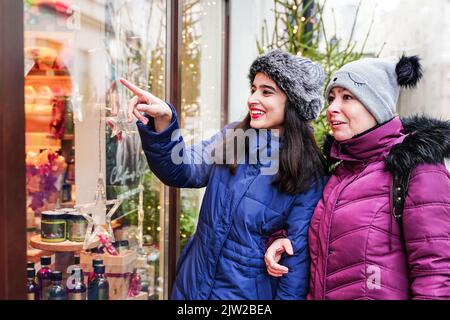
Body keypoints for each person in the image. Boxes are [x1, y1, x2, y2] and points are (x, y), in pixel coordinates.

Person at [120, 49, 328, 300]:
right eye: (254, 88)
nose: (253, 99)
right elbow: (181, 169)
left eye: (267, 91)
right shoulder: (234, 138)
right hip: (192, 287)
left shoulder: (307, 171)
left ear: (293, 102)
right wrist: (164, 121)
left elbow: (296, 266)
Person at [265, 55, 450, 300]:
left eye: (347, 97)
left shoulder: (416, 167)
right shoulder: (340, 171)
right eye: (331, 98)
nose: (332, 108)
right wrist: (282, 241)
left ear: (376, 105)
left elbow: (436, 271)